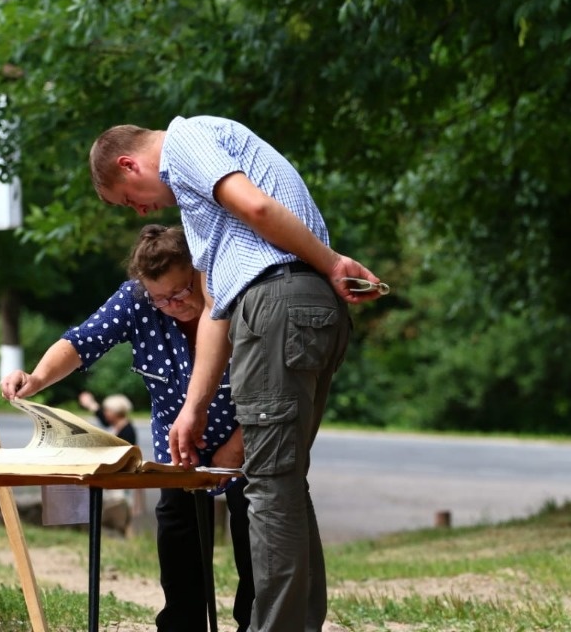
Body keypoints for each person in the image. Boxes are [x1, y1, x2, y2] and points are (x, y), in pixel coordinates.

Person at [89, 116, 386, 632]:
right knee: (284, 482)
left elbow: (258, 207)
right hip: (295, 307)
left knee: (268, 487)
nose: (139, 210)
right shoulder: (200, 208)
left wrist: (332, 263)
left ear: (128, 163)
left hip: (278, 303)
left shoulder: (185, 141)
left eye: (127, 199)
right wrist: (194, 408)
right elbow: (213, 309)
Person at [0, 224, 254, 632]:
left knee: (253, 528)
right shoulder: (137, 301)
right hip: (178, 447)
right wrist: (35, 378)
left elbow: (277, 386)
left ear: (199, 273)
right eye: (161, 299)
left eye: (182, 291)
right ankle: (181, 625)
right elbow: (81, 343)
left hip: (250, 436)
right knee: (177, 529)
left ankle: (255, 625)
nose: (173, 304)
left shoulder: (235, 295)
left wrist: (238, 448)